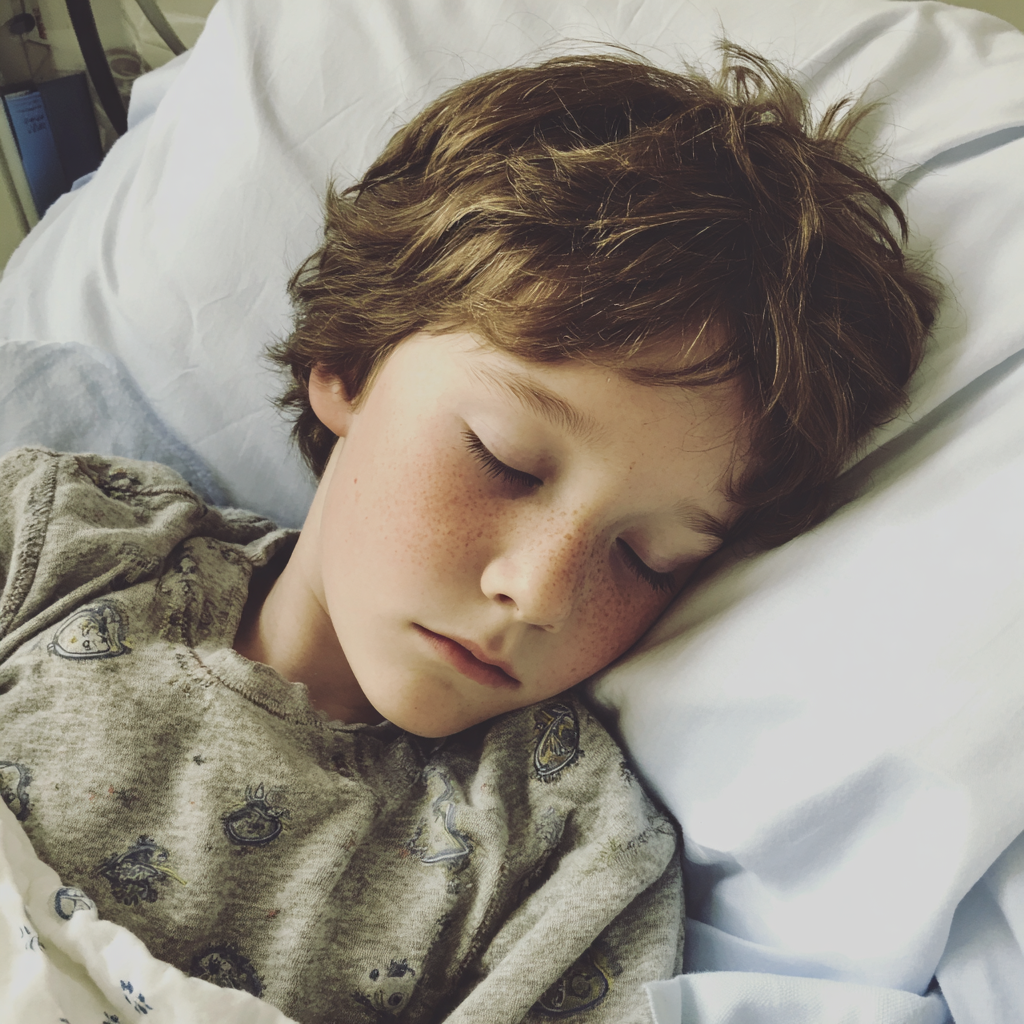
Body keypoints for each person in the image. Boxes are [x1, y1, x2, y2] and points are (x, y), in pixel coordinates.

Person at [0, 46, 937, 1024]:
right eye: (505, 460)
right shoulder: (62, 537)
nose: (538, 591)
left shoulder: (564, 856)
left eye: (646, 558)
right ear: (348, 366)